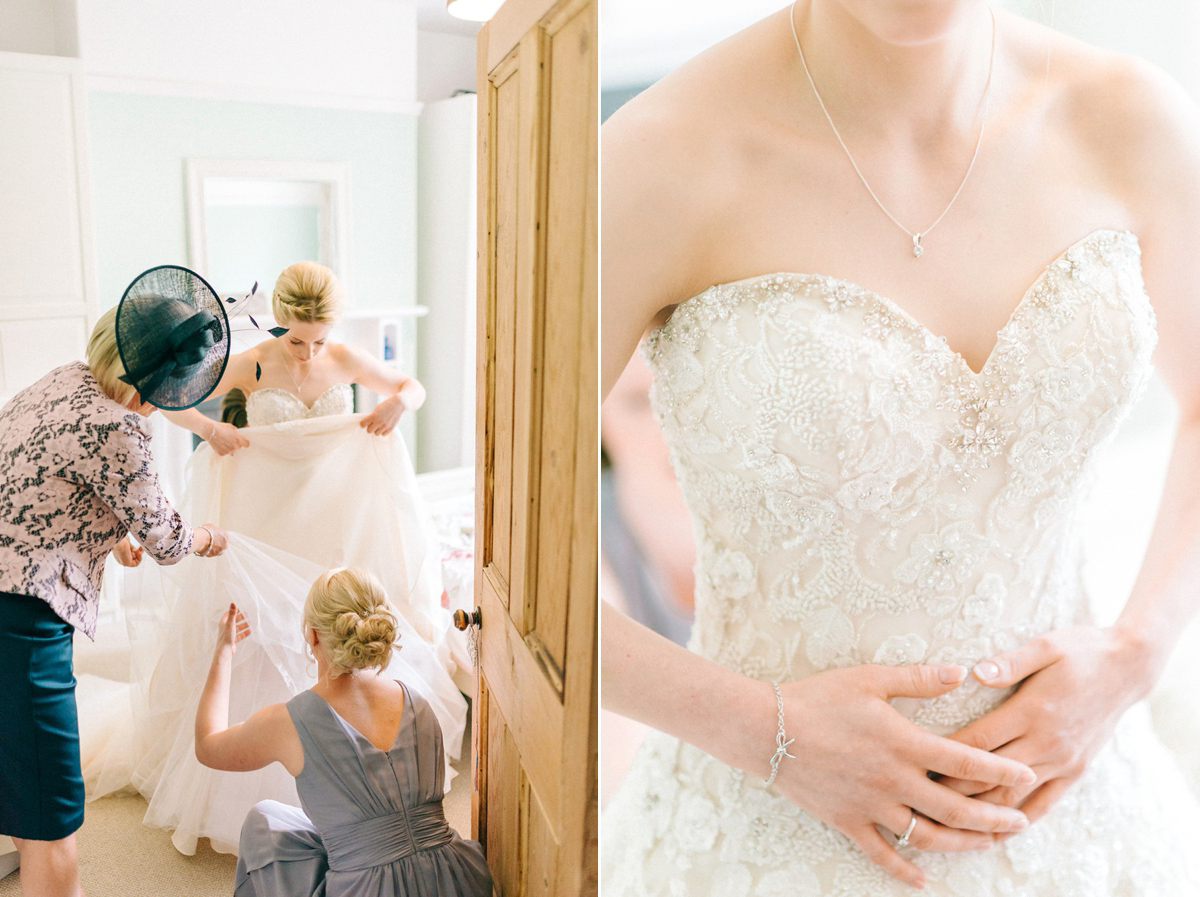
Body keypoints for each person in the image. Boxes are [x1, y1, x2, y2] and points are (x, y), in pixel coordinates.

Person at [600, 1, 1200, 893]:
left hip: (1089, 822)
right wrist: (763, 730)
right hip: (768, 840)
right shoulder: (654, 157)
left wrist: (1137, 653)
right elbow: (499, 561)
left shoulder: (1132, 117)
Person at [108, 261, 467, 856]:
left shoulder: (346, 357)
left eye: (319, 340)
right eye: (297, 339)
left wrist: (396, 406)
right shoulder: (250, 362)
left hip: (334, 516)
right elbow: (163, 395)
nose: (306, 353)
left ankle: (351, 770)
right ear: (279, 321)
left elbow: (411, 387)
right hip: (266, 514)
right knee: (257, 628)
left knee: (337, 621)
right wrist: (209, 428)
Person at [0, 265, 231, 897]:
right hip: (20, 628)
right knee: (54, 821)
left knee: (21, 791)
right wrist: (211, 536)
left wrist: (111, 534)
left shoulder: (62, 381)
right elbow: (170, 540)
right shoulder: (122, 428)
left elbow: (44, 478)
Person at [194, 568, 492, 897]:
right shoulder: (418, 701)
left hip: (366, 890)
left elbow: (207, 746)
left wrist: (223, 651)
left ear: (313, 635)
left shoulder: (290, 721)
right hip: (454, 880)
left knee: (264, 822)